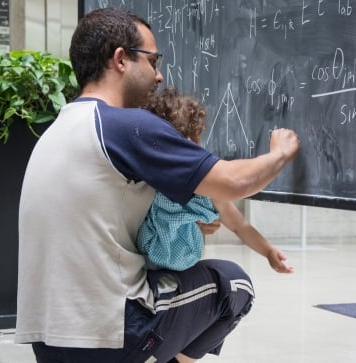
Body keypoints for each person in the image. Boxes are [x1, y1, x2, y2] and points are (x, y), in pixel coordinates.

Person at [15, 7, 300, 363]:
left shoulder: (59, 129)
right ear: (120, 59)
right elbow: (235, 182)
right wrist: (280, 152)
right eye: (152, 60)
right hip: (110, 335)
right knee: (234, 284)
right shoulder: (126, 126)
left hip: (48, 341)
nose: (159, 75)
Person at [138, 87, 294, 274]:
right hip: (158, 266)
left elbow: (239, 225)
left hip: (158, 265)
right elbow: (239, 225)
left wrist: (268, 251)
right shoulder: (199, 186)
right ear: (194, 141)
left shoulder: (146, 176)